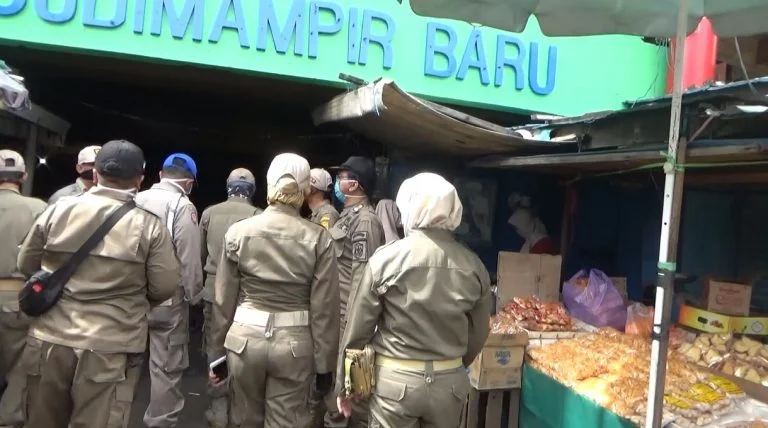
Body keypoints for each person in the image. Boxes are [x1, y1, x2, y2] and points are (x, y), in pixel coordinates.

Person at [16, 140, 180, 428]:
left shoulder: (58, 210)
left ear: (95, 174)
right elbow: (164, 287)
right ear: (140, 180)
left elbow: (26, 265)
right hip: (110, 345)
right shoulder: (150, 226)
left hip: (49, 337)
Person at [336, 172, 492, 427]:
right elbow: (480, 332)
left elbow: (358, 333)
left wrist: (346, 386)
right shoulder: (474, 266)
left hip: (394, 384)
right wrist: (451, 364)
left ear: (409, 206)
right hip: (449, 386)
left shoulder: (385, 259)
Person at [210, 153, 339, 427]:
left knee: (244, 419)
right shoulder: (319, 239)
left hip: (243, 342)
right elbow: (324, 310)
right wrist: (325, 366)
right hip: (294, 347)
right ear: (306, 190)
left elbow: (223, 301)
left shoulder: (238, 232)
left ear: (269, 184)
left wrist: (216, 355)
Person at [136, 153, 204, 428]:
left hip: (129, 298)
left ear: (161, 175)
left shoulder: (134, 199)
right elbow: (188, 258)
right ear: (188, 183)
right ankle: (160, 422)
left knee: (121, 365)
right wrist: (194, 296)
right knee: (165, 367)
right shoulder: (182, 206)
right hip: (167, 302)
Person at [198, 167, 262, 428]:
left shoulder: (209, 213)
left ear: (228, 185)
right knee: (242, 350)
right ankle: (240, 408)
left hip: (214, 291)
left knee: (215, 346)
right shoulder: (258, 216)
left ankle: (218, 409)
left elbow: (200, 255)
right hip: (245, 294)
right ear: (252, 190)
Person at [328, 156, 385, 428]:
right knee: (336, 390)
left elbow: (362, 280)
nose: (337, 182)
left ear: (355, 184)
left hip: (348, 321)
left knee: (350, 394)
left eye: (342, 177)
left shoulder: (365, 222)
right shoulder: (347, 216)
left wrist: (354, 329)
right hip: (336, 317)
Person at [0, 149, 46, 428]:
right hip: (16, 297)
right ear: (24, 176)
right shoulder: (38, 208)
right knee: (19, 368)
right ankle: (8, 419)